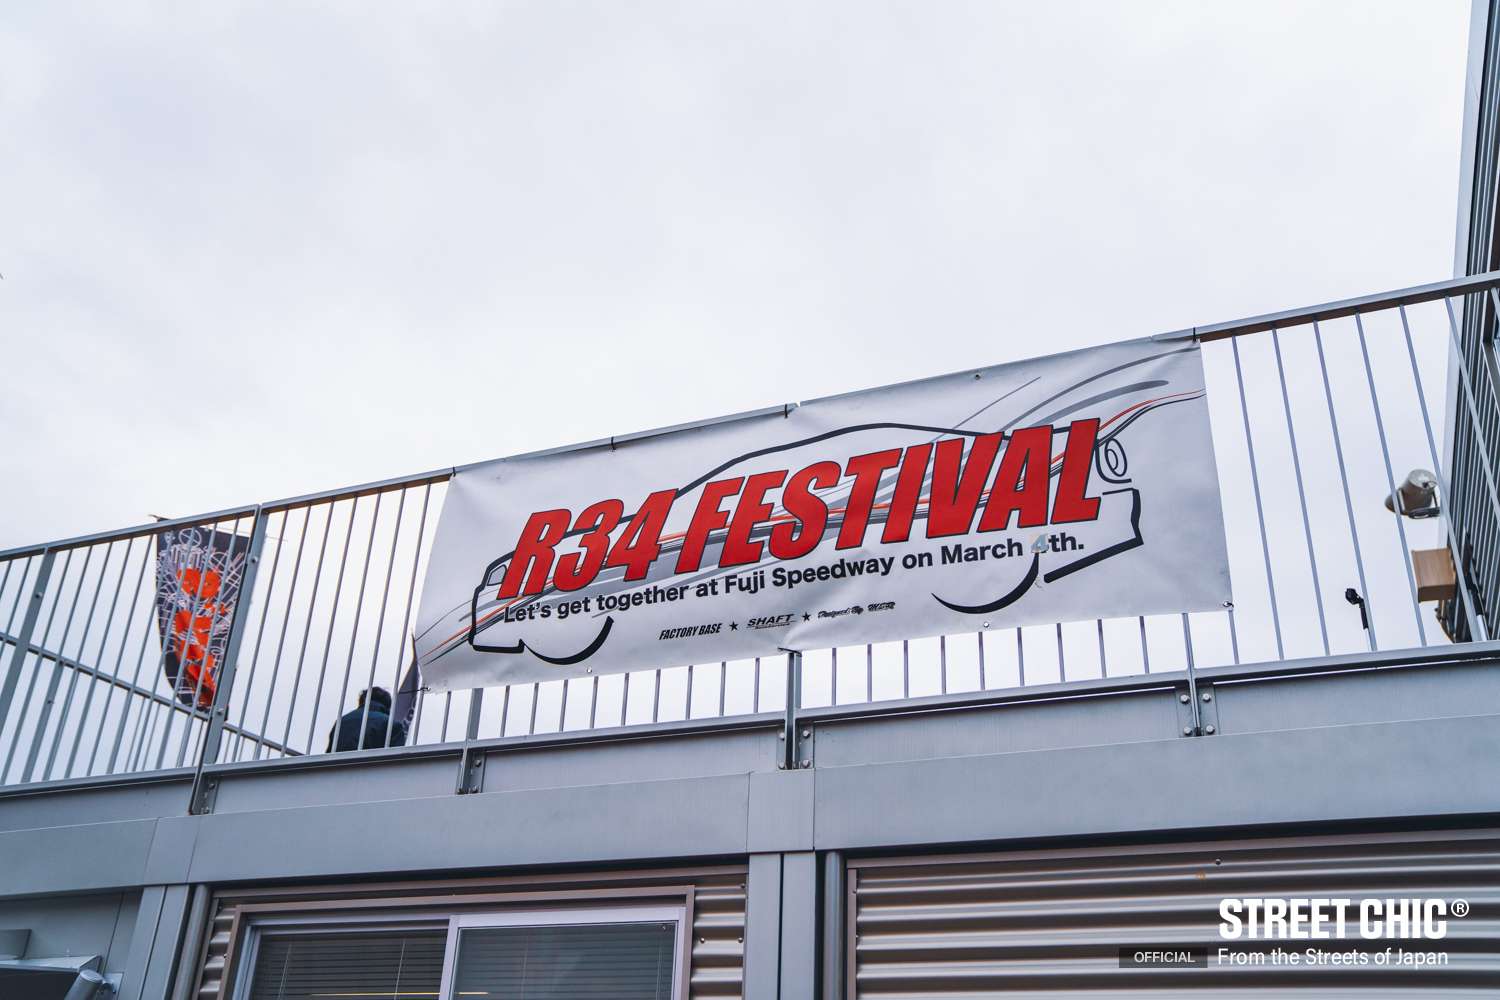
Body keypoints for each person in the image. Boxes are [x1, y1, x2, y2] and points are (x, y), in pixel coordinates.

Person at [327, 687, 408, 752]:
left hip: (338, 767)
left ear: (362, 702)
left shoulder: (341, 722)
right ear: (388, 706)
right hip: (372, 768)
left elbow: (329, 756)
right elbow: (396, 759)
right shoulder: (391, 725)